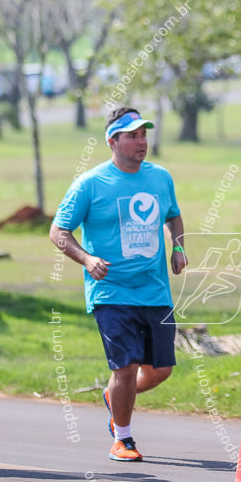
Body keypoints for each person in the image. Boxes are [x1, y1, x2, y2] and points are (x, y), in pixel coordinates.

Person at [50, 107, 188, 462]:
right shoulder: (90, 184)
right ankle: (123, 438)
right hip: (111, 291)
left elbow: (172, 213)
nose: (142, 142)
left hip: (155, 289)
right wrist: (87, 259)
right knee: (124, 368)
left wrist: (178, 247)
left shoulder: (160, 177)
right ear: (113, 141)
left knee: (160, 370)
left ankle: (116, 396)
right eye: (132, 135)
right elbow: (58, 231)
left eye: (144, 134)